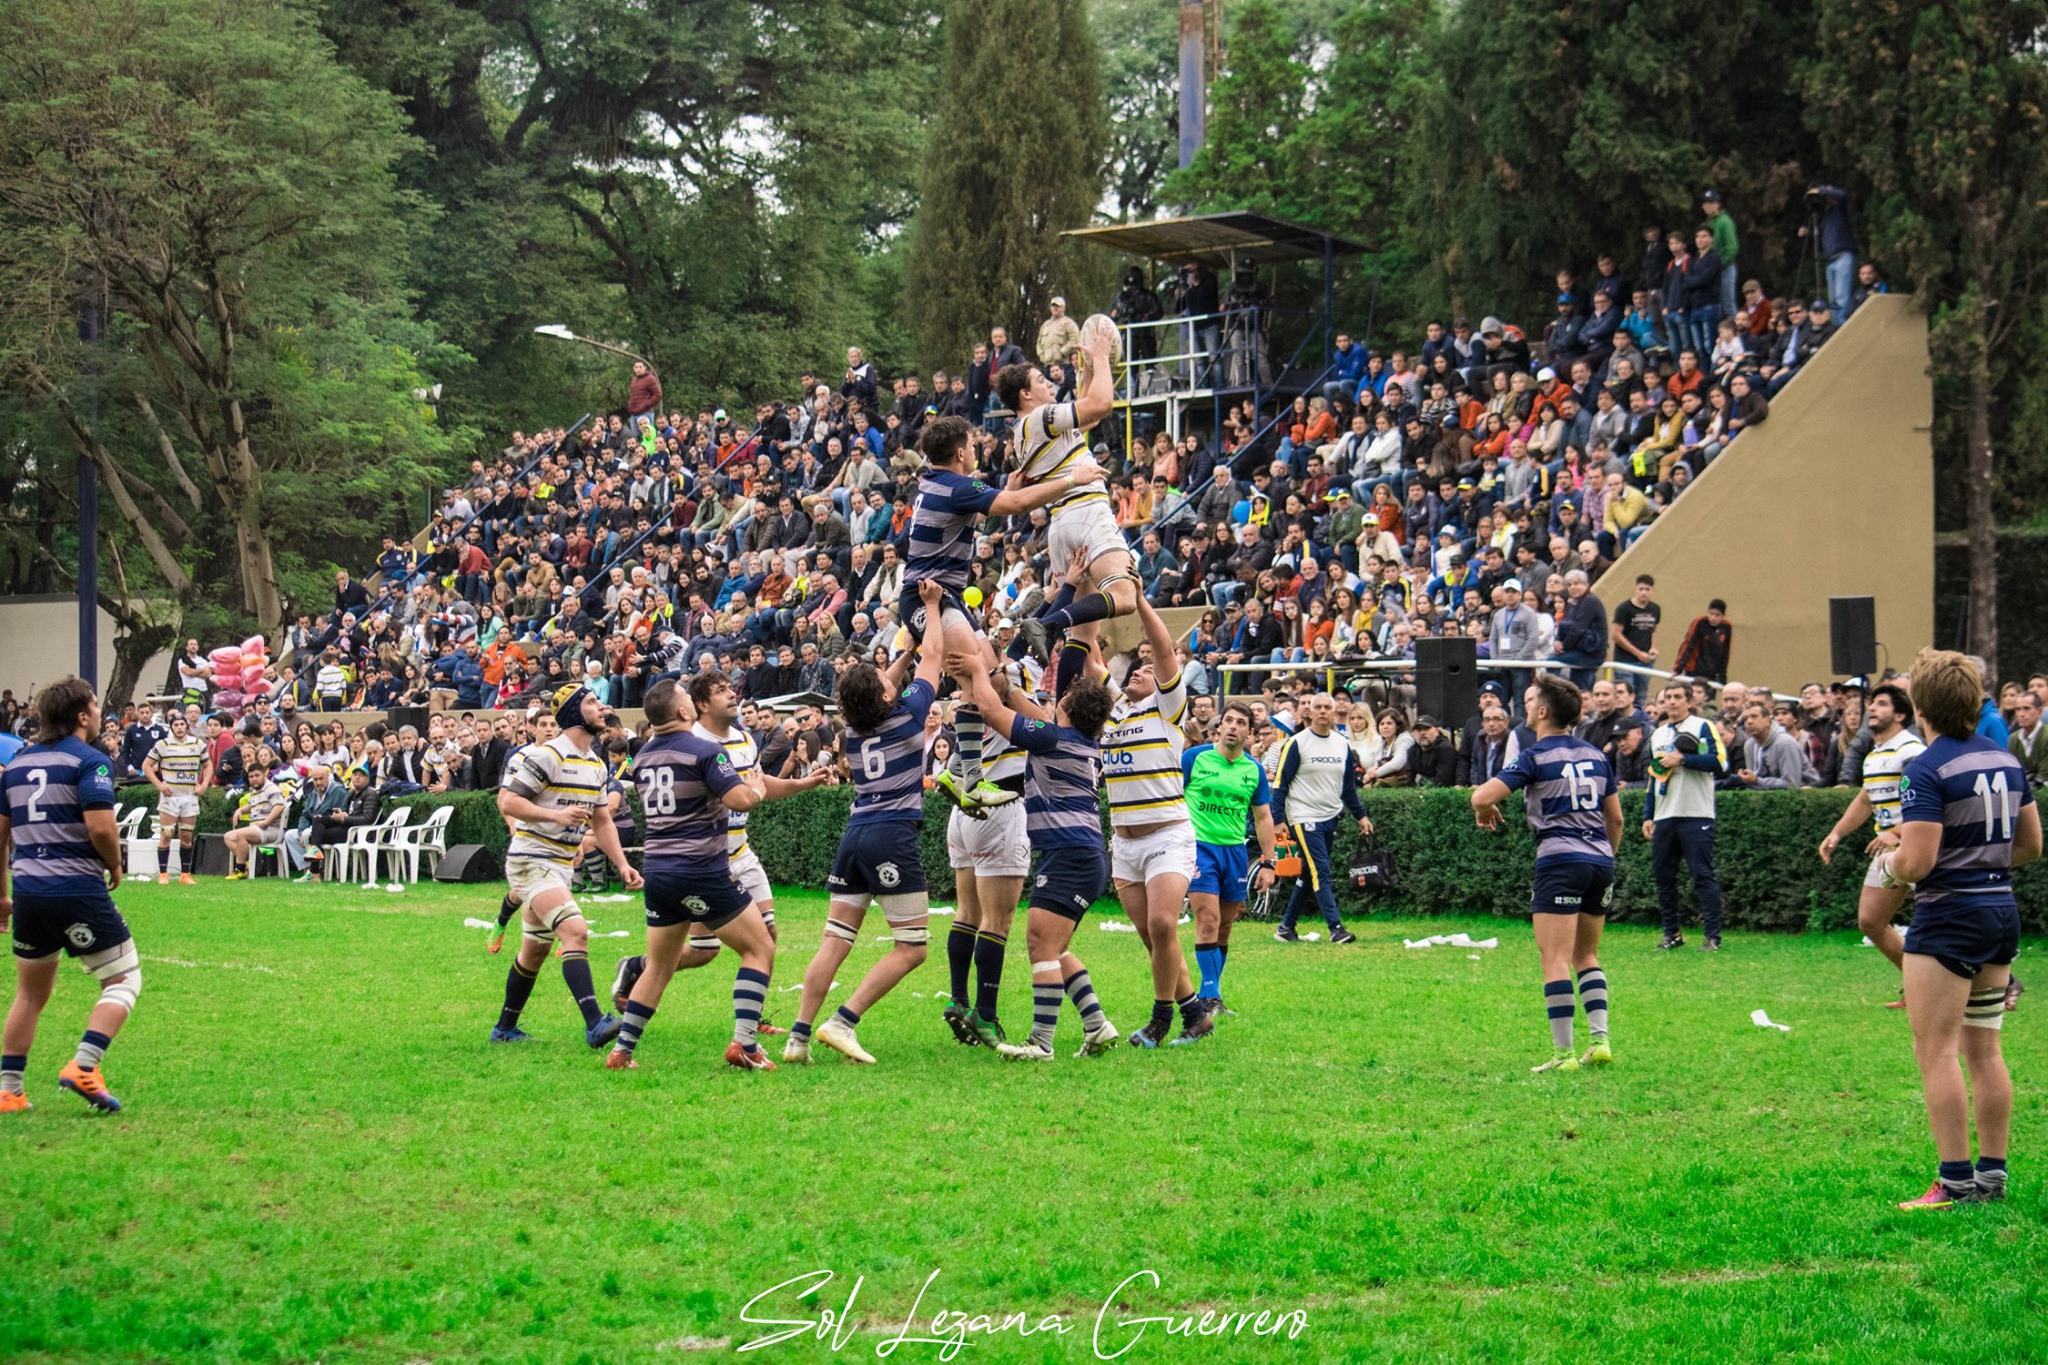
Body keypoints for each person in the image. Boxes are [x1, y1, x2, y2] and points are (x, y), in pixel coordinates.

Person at [1881, 650, 2039, 1210]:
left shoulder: (1925, 768)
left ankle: (1954, 1182)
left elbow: (1918, 862)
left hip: (1948, 918)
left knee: (1937, 1051)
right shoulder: (2005, 759)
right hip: (2000, 912)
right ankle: (1992, 1177)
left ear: (1919, 706)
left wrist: (1890, 863)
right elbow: (2031, 846)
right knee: (1986, 1050)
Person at [609, 673, 834, 1026]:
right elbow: (745, 795)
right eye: (721, 691)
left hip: (739, 851)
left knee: (767, 934)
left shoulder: (744, 737)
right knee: (704, 951)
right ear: (697, 706)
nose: (733, 695)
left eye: (732, 688)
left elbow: (757, 782)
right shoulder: (692, 740)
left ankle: (753, 1018)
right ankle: (637, 966)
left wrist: (802, 784)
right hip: (704, 861)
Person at [784, 582, 947, 1065]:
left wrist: (904, 651)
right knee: (912, 948)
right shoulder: (907, 717)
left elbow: (880, 684)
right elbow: (935, 656)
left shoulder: (851, 729)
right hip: (891, 834)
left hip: (854, 834)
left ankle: (797, 1038)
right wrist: (933, 612)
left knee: (835, 940)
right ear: (884, 694)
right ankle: (843, 1021)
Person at [904, 415, 1101, 806]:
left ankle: (958, 769)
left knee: (992, 680)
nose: (976, 451)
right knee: (971, 675)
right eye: (973, 446)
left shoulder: (932, 481)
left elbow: (972, 504)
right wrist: (1072, 480)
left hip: (948, 597)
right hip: (927, 596)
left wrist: (1005, 486)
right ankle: (970, 779)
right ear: (960, 453)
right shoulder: (957, 486)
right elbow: (1016, 504)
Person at [949, 646, 1121, 1061]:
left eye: (1056, 703)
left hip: (1070, 855)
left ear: (1064, 711)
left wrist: (976, 670)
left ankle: (1041, 1042)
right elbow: (1019, 706)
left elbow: (992, 713)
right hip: (1080, 854)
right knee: (1056, 946)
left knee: (1040, 944)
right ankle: (1096, 1025)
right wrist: (1003, 680)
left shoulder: (1053, 738)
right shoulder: (1072, 737)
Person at [604, 678, 775, 1072]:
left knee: (662, 966)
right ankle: (745, 1045)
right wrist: (755, 788)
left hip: (659, 872)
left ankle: (622, 1052)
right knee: (760, 948)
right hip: (701, 869)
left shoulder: (642, 757)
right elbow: (740, 801)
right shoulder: (705, 750)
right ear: (684, 712)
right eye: (687, 700)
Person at [0, 677, 140, 1114]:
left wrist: (3, 896)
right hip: (75, 888)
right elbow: (100, 827)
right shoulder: (91, 761)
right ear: (82, 715)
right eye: (95, 706)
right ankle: (85, 1065)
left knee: (29, 994)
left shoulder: (18, 764)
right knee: (124, 979)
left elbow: (0, 838)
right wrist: (115, 864)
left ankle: (9, 1089)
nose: (99, 714)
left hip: (27, 892)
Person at [1471, 673, 1622, 1072]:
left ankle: (1563, 1055)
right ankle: (1600, 1041)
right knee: (1586, 955)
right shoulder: (1595, 755)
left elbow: (1481, 795)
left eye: (1531, 698)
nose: (1525, 705)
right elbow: (1617, 820)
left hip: (1559, 859)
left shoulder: (1535, 756)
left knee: (1554, 959)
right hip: (1600, 860)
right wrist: (1604, 858)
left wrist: (1485, 810)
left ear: (1541, 711)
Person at [489, 684, 641, 1048]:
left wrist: (622, 865)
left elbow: (601, 821)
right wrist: (555, 815)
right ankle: (595, 1023)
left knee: (535, 951)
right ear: (573, 712)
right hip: (531, 861)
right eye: (591, 702)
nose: (601, 707)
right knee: (575, 932)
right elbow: (508, 801)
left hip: (559, 865)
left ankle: (504, 1029)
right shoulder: (547, 756)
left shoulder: (595, 763)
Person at [1096, 597, 1207, 1047]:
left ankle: (1160, 1020)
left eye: (1147, 670)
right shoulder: (1111, 712)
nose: (1140, 670)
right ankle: (1196, 1014)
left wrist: (1138, 602)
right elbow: (1087, 654)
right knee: (1152, 938)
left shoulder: (1168, 709)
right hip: (1124, 843)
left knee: (1163, 926)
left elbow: (1163, 651)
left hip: (1167, 833)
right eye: (1133, 671)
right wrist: (1081, 589)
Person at [1001, 328, 1136, 666]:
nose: (1049, 384)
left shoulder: (1024, 432)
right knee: (1125, 596)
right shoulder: (1042, 417)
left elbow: (1087, 415)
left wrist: (1088, 367)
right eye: (1041, 380)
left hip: (1062, 526)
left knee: (1087, 646)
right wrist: (1104, 357)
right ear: (1025, 394)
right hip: (1087, 509)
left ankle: (1076, 713)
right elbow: (1101, 405)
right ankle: (1048, 624)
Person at [1818, 683, 1925, 1006]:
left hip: (1918, 846)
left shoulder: (1911, 750)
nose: (1872, 710)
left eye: (1880, 704)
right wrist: (1836, 833)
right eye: (1871, 704)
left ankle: (2000, 983)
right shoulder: (1875, 753)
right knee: (1870, 921)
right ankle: (1918, 984)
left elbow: (1926, 804)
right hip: (1888, 848)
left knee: (1944, 926)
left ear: (1901, 714)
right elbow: (1866, 798)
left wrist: (1897, 832)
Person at [1180, 702, 1279, 1021]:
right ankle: (1210, 995)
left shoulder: (1253, 770)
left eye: (1241, 722)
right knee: (1206, 921)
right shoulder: (1194, 759)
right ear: (1218, 728)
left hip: (1234, 852)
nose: (1234, 726)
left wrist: (1268, 862)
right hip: (1199, 849)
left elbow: (1263, 817)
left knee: (1224, 927)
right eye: (1229, 721)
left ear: (1250, 732)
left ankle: (1212, 992)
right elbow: (1170, 798)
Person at [1271, 693, 1370, 945]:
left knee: (1308, 873)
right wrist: (1278, 819)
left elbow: (1348, 786)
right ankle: (1336, 928)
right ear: (1310, 712)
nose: (1323, 711)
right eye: (1319, 707)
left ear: (1335, 711)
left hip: (1331, 816)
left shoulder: (1341, 744)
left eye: (1328, 707)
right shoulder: (1297, 743)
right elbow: (1280, 784)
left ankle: (1286, 928)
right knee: (1321, 870)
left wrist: (1361, 815)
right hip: (1304, 817)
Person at [1644, 680, 1728, 951]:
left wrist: (1682, 760)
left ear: (1690, 701)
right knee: (1663, 876)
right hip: (1665, 815)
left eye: (1678, 697)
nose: (1672, 702)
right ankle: (1672, 934)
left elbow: (1719, 763)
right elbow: (1653, 777)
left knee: (1702, 875)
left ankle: (1712, 936)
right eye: (1668, 697)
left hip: (1696, 814)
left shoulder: (1703, 727)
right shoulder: (1658, 735)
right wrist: (1648, 814)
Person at [142, 713, 210, 886]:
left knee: (186, 835)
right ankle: (163, 874)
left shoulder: (197, 744)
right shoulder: (163, 745)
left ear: (186, 726)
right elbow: (146, 765)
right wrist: (159, 785)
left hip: (189, 796)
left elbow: (208, 765)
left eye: (182, 724)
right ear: (171, 727)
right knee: (167, 834)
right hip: (170, 797)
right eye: (176, 725)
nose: (179, 727)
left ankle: (185, 874)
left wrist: (203, 785)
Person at [1673, 599, 1733, 681]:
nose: (1713, 618)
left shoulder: (1726, 627)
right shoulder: (1700, 622)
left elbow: (1725, 652)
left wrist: (1722, 675)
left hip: (1712, 673)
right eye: (1711, 614)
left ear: (1723, 616)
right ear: (1708, 612)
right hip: (1694, 670)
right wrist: (1678, 668)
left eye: (1717, 615)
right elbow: (1688, 645)